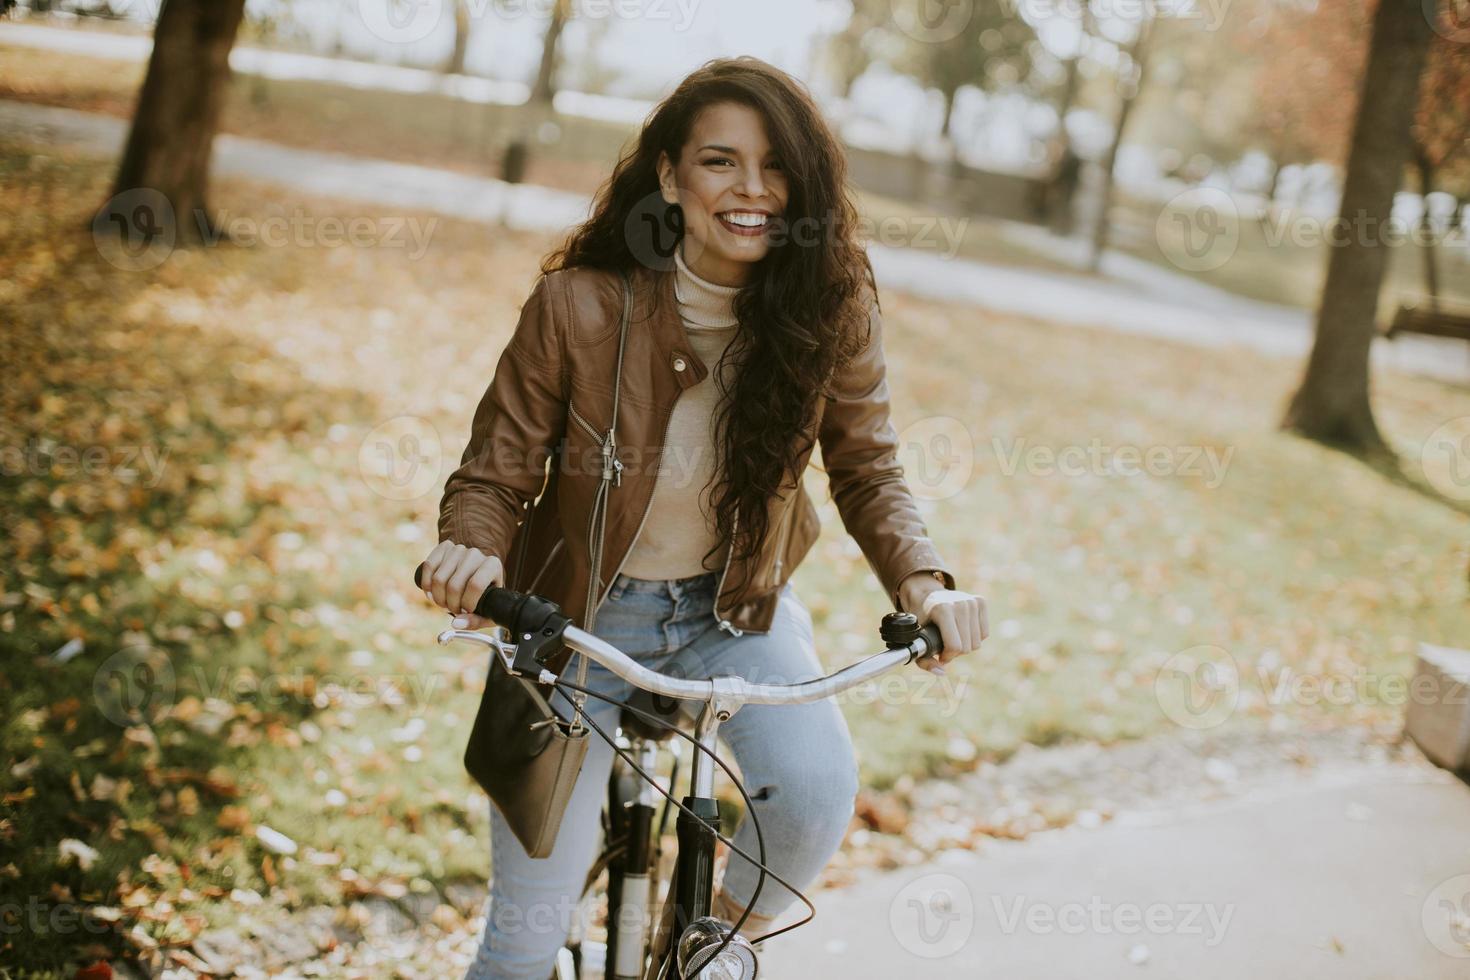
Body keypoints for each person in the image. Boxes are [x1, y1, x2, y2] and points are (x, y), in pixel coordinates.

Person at [419, 56, 988, 980]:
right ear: (670, 178)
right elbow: (496, 472)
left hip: (733, 613)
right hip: (573, 624)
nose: (753, 189)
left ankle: (713, 947)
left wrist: (924, 582)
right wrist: (470, 550)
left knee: (809, 792)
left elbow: (868, 468)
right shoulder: (579, 305)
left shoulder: (830, 310)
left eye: (776, 167)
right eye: (720, 162)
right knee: (518, 955)